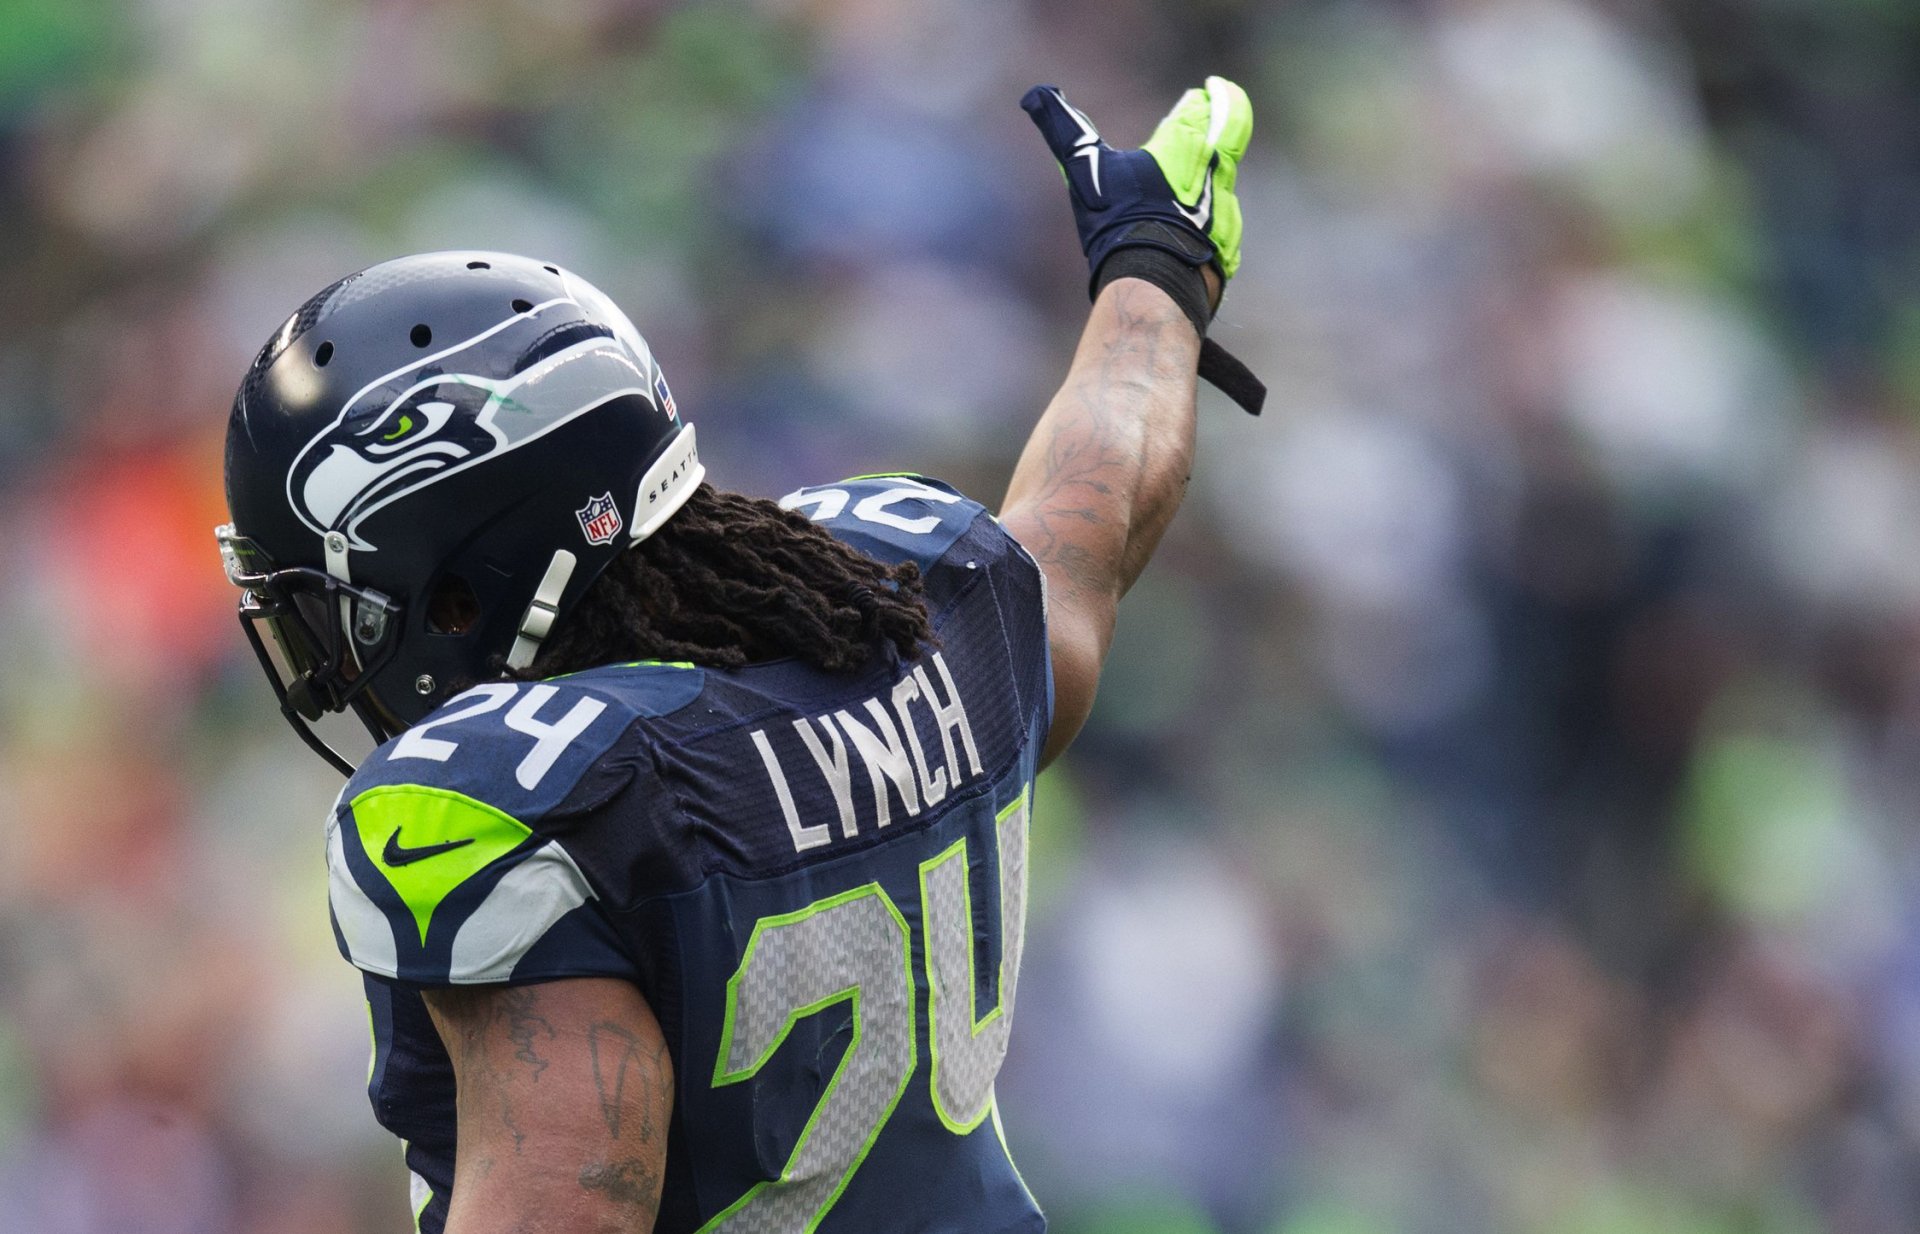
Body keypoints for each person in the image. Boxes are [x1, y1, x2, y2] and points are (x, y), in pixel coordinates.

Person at [216, 77, 1254, 1234]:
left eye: (332, 606)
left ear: (456, 587)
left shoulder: (492, 801)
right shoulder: (910, 611)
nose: (330, 658)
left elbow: (583, 1203)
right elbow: (1090, 517)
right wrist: (1155, 271)